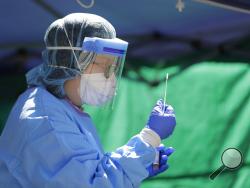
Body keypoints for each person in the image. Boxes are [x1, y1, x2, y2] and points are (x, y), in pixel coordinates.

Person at [0, 13, 176, 188]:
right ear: (68, 61)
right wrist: (148, 140)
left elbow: (89, 173)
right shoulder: (43, 118)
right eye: (102, 65)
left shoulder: (61, 108)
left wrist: (135, 170)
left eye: (113, 67)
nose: (111, 77)